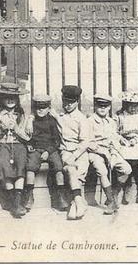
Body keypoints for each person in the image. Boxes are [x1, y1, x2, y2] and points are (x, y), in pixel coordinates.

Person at [0, 82, 30, 219]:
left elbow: (27, 137)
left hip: (18, 144)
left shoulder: (22, 114)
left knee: (20, 166)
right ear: (2, 99)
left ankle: (17, 202)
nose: (10, 100)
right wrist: (3, 130)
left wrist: (16, 130)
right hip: (1, 144)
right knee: (5, 167)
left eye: (13, 97)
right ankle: (13, 202)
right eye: (7, 97)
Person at [22, 94, 68, 212]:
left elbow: (57, 140)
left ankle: (61, 196)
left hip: (50, 149)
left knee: (58, 166)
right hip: (36, 149)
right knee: (30, 167)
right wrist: (30, 146)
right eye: (38, 107)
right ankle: (29, 195)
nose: (40, 110)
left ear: (49, 108)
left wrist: (48, 151)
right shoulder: (31, 121)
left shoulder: (52, 121)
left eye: (43, 107)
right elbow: (27, 138)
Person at [87, 94, 131, 214]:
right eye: (100, 106)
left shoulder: (111, 121)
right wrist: (103, 153)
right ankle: (111, 201)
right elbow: (88, 142)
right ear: (95, 106)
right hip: (96, 151)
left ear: (109, 107)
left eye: (105, 106)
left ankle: (114, 193)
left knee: (126, 169)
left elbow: (113, 136)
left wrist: (120, 140)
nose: (103, 109)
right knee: (102, 171)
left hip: (110, 151)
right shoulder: (90, 121)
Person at [52, 85, 90, 220]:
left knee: (78, 173)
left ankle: (75, 204)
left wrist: (75, 156)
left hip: (80, 152)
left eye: (71, 102)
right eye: (65, 102)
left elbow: (85, 142)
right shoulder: (60, 116)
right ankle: (80, 201)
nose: (67, 105)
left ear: (77, 102)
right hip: (66, 152)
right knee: (71, 170)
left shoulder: (81, 119)